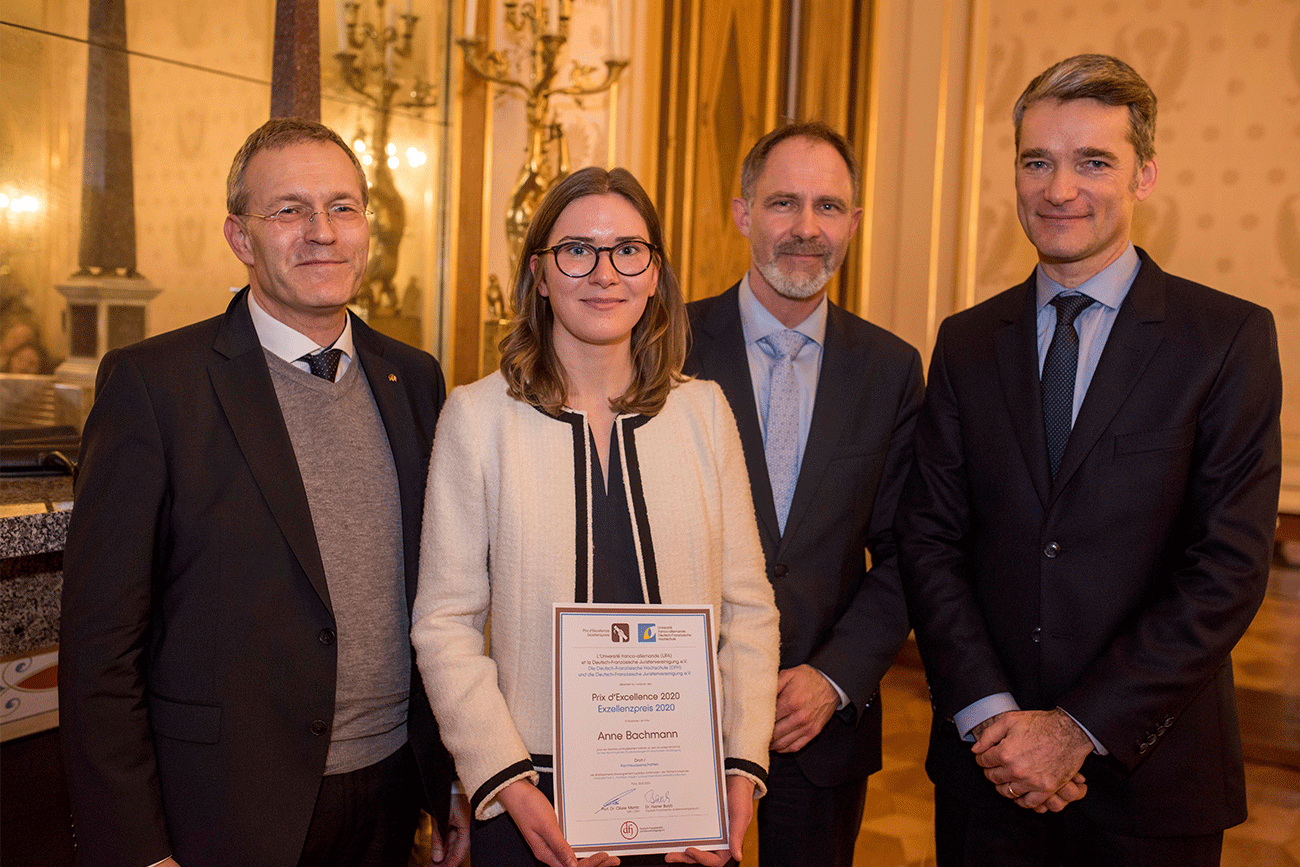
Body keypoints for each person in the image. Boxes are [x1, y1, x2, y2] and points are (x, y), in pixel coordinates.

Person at [896, 54, 1283, 866]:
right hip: (986, 769)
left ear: (1143, 175)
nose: (1059, 188)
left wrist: (1076, 728)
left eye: (1092, 161)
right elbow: (930, 539)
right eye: (1037, 161)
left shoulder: (1225, 340)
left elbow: (1228, 568)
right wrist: (994, 717)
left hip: (1151, 781)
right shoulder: (966, 343)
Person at [59, 117, 469, 867]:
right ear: (240, 237)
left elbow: (440, 595)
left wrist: (447, 780)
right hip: (222, 808)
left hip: (388, 794)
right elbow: (99, 649)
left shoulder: (413, 378)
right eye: (289, 210)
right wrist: (136, 846)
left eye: (343, 207)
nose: (322, 232)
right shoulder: (154, 386)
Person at [410, 166, 779, 867]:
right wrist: (507, 785)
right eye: (577, 249)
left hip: (683, 800)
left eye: (628, 250)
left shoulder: (704, 413)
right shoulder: (478, 418)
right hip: (531, 800)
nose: (605, 272)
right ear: (540, 275)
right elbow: (445, 622)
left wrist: (739, 766)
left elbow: (750, 608)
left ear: (654, 274)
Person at [684, 121, 924, 867]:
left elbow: (909, 550)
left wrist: (834, 675)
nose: (806, 228)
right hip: (680, 719)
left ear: (854, 223)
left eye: (828, 207)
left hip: (819, 724)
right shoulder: (666, 346)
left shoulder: (890, 369)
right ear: (743, 213)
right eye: (784, 202)